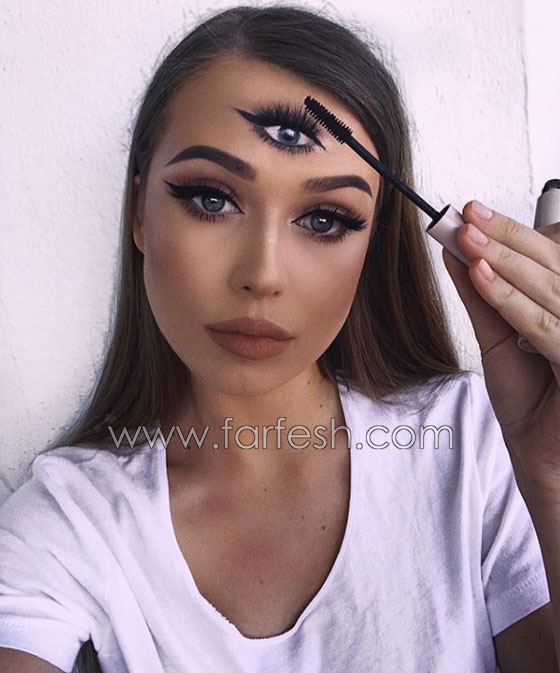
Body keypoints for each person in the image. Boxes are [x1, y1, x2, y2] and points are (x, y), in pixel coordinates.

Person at [0, 4, 557, 673]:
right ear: (139, 211)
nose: (262, 275)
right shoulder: (71, 521)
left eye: (323, 219)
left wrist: (551, 476)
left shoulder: (478, 444)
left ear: (373, 243)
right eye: (211, 199)